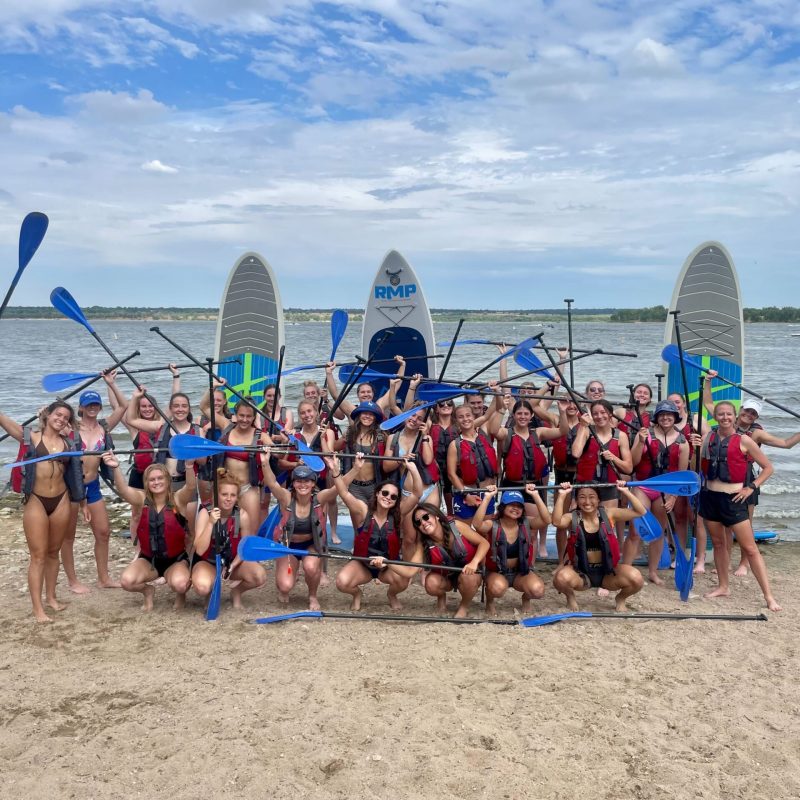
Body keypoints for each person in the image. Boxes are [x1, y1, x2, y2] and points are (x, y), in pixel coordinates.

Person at [0, 401, 86, 622]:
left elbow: (78, 473)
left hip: (61, 499)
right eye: (58, 414)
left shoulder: (69, 442)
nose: (61, 419)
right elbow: (5, 422)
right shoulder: (30, 437)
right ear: (47, 415)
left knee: (53, 552)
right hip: (36, 500)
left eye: (66, 417)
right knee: (38, 556)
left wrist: (83, 503)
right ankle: (38, 609)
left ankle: (51, 598)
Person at [693, 401, 781, 612]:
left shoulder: (745, 440)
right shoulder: (707, 438)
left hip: (734, 500)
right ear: (715, 417)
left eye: (728, 414)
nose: (725, 417)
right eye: (720, 414)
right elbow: (694, 467)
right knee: (719, 544)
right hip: (710, 497)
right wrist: (695, 448)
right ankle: (723, 587)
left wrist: (751, 487)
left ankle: (769, 597)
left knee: (750, 549)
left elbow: (768, 468)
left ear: (735, 416)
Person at [102, 452, 194, 611]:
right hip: (148, 560)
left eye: (160, 478)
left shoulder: (178, 500)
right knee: (127, 582)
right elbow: (123, 490)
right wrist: (116, 468)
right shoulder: (140, 499)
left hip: (176, 560)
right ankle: (147, 591)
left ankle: (181, 594)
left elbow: (191, 486)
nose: (156, 482)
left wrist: (189, 466)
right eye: (152, 479)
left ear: (168, 480)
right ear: (146, 483)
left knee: (180, 584)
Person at [331, 453, 422, 610]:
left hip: (388, 566)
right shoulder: (363, 510)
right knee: (342, 582)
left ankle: (391, 595)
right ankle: (357, 594)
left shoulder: (398, 514)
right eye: (385, 493)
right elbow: (344, 492)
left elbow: (417, 494)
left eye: (393, 496)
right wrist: (338, 471)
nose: (388, 498)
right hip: (363, 564)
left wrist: (413, 470)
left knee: (403, 581)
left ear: (396, 501)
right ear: (377, 493)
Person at [61, 381, 128, 593]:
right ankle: (73, 581)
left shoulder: (104, 427)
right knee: (68, 537)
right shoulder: (70, 429)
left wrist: (111, 383)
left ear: (99, 407)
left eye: (96, 404)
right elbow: (50, 425)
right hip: (71, 488)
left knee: (103, 532)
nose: (92, 407)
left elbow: (123, 406)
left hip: (92, 487)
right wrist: (46, 414)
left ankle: (103, 578)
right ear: (80, 407)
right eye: (88, 404)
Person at [262, 454, 340, 610]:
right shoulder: (286, 498)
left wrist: (338, 471)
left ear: (313, 483)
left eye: (307, 481)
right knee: (285, 586)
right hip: (288, 545)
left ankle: (312, 596)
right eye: (298, 481)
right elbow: (272, 483)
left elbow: (339, 488)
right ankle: (290, 572)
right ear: (293, 483)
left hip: (310, 544)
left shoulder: (319, 498)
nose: (302, 484)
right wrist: (265, 463)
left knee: (311, 567)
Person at [552, 482, 645, 612]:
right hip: (581, 573)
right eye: (582, 497)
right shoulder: (571, 517)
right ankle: (570, 597)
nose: (587, 502)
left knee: (636, 579)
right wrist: (562, 495)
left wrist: (625, 491)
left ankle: (621, 598)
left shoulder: (609, 514)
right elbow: (556, 522)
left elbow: (640, 511)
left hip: (608, 572)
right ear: (577, 500)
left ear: (598, 500)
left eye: (592, 497)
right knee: (560, 578)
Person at [627, 400, 689, 585]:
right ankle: (625, 569)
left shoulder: (682, 442)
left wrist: (674, 497)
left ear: (675, 417)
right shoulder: (646, 434)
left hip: (666, 490)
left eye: (669, 415)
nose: (666, 418)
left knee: (658, 533)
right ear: (656, 417)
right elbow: (633, 462)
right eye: (662, 415)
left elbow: (681, 475)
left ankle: (653, 572)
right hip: (644, 486)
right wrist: (640, 442)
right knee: (636, 530)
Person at [192, 468, 267, 609]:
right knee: (202, 587)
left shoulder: (242, 515)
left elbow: (245, 548)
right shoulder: (205, 513)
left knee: (259, 576)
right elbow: (200, 550)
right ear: (216, 495)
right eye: (224, 494)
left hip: (231, 562)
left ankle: (236, 592)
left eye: (233, 495)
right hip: (208, 562)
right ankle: (211, 591)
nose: (228, 499)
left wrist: (232, 566)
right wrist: (210, 523)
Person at [472, 486, 552, 616]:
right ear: (502, 507)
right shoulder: (493, 524)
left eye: (519, 506)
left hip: (520, 572)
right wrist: (487, 498)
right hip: (496, 571)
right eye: (511, 505)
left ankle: (526, 598)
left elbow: (547, 520)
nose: (516, 508)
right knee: (497, 588)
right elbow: (477, 524)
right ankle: (490, 601)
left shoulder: (526, 523)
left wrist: (536, 495)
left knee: (538, 590)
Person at [407, 502, 489, 617]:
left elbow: (484, 543)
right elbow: (409, 570)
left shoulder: (456, 526)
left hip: (469, 572)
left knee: (469, 578)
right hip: (446, 576)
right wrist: (386, 562)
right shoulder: (423, 542)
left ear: (436, 516)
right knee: (431, 584)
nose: (423, 523)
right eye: (418, 522)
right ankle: (441, 596)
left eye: (425, 517)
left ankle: (464, 606)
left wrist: (474, 562)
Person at [446, 386, 503, 521]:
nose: (465, 419)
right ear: (456, 420)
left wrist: (497, 391)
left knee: (486, 530)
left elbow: (498, 409)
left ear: (473, 417)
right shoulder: (455, 445)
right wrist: (466, 495)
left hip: (487, 492)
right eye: (460, 417)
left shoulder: (484, 434)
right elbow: (451, 474)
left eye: (468, 416)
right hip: (467, 493)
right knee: (465, 531)